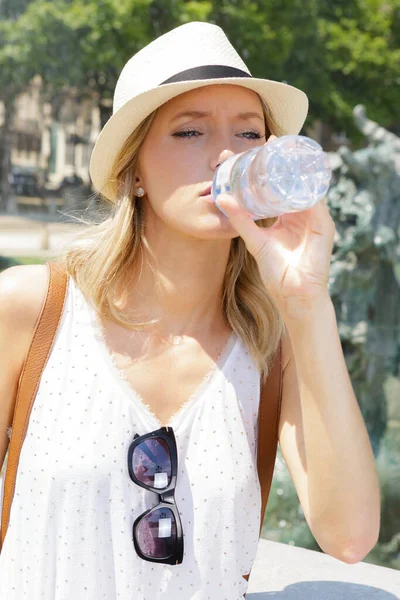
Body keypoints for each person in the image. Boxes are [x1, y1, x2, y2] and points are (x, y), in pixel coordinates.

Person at [0, 21, 380, 600]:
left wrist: (306, 303)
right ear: (133, 173)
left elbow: (350, 537)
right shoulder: (34, 308)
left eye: (250, 134)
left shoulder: (272, 346)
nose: (226, 155)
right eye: (189, 132)